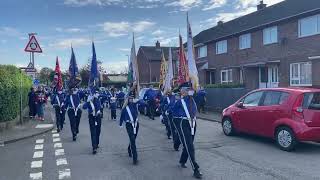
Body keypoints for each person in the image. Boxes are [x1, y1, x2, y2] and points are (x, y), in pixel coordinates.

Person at [172, 83, 203, 179]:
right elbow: (173, 113)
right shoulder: (179, 101)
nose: (189, 91)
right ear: (182, 91)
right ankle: (196, 169)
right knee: (190, 146)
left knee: (188, 144)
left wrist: (195, 87)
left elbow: (202, 93)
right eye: (187, 89)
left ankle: (182, 160)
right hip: (184, 123)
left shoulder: (194, 99)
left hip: (193, 124)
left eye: (190, 89)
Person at [120, 84, 140, 165]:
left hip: (136, 125)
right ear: (127, 99)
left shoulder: (135, 105)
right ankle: (135, 158)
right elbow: (122, 116)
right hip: (129, 125)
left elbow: (143, 103)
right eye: (130, 98)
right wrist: (120, 124)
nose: (131, 99)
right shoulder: (125, 108)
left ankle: (129, 149)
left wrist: (138, 100)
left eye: (132, 98)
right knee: (132, 140)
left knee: (133, 139)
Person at [83, 88, 102, 154]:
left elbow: (99, 107)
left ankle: (96, 143)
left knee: (98, 131)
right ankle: (94, 147)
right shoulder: (89, 101)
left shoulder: (98, 99)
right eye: (95, 93)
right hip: (92, 117)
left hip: (98, 117)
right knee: (93, 132)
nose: (96, 94)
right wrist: (88, 101)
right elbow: (84, 107)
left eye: (97, 93)